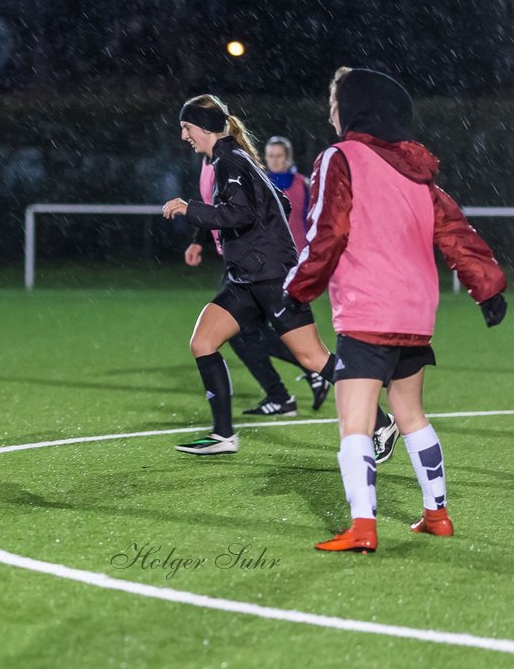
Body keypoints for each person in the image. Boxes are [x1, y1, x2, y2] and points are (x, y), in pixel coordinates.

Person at [285, 68, 506, 552]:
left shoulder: (339, 157)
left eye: (334, 103)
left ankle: (363, 527)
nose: (331, 112)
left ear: (354, 110)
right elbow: (456, 234)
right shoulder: (417, 172)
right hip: (414, 314)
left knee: (355, 422)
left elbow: (329, 231)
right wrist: (488, 289)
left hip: (367, 310)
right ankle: (437, 514)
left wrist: (298, 287)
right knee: (411, 413)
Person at [162, 95, 398, 456]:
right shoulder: (235, 159)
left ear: (204, 127)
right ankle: (224, 434)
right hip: (249, 276)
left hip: (272, 277)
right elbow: (279, 202)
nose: (184, 136)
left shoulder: (229, 161)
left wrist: (190, 209)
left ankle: (383, 424)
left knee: (313, 358)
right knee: (203, 342)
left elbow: (238, 213)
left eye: (187, 128)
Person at [183, 144, 327, 416]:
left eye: (188, 128)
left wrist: (282, 249)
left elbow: (249, 210)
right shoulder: (214, 164)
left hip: (269, 267)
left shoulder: (235, 163)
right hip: (245, 265)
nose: (185, 136)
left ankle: (312, 381)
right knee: (237, 336)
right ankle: (251, 414)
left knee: (301, 349)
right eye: (270, 155)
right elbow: (218, 207)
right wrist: (200, 240)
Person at [264, 136, 310, 253]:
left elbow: (312, 219)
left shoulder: (303, 184)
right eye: (271, 156)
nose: (274, 160)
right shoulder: (258, 184)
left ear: (288, 157)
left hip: (300, 252)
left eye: (279, 156)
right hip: (268, 254)